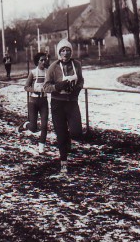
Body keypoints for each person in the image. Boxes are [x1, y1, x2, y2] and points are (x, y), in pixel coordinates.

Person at [44, 38, 84, 175]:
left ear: (71, 51)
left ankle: (68, 138)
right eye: (62, 50)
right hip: (58, 103)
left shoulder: (77, 65)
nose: (65, 53)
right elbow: (46, 87)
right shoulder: (53, 67)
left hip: (72, 102)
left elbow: (81, 81)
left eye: (67, 50)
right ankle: (63, 162)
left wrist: (76, 90)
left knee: (76, 131)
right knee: (60, 133)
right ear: (59, 53)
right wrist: (57, 86)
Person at [19, 52, 49, 154]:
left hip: (44, 101)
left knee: (44, 125)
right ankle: (26, 125)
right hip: (33, 101)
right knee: (33, 128)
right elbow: (26, 87)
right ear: (37, 62)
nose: (44, 62)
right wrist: (34, 90)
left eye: (45, 60)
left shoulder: (48, 72)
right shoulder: (33, 72)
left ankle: (41, 147)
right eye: (42, 60)